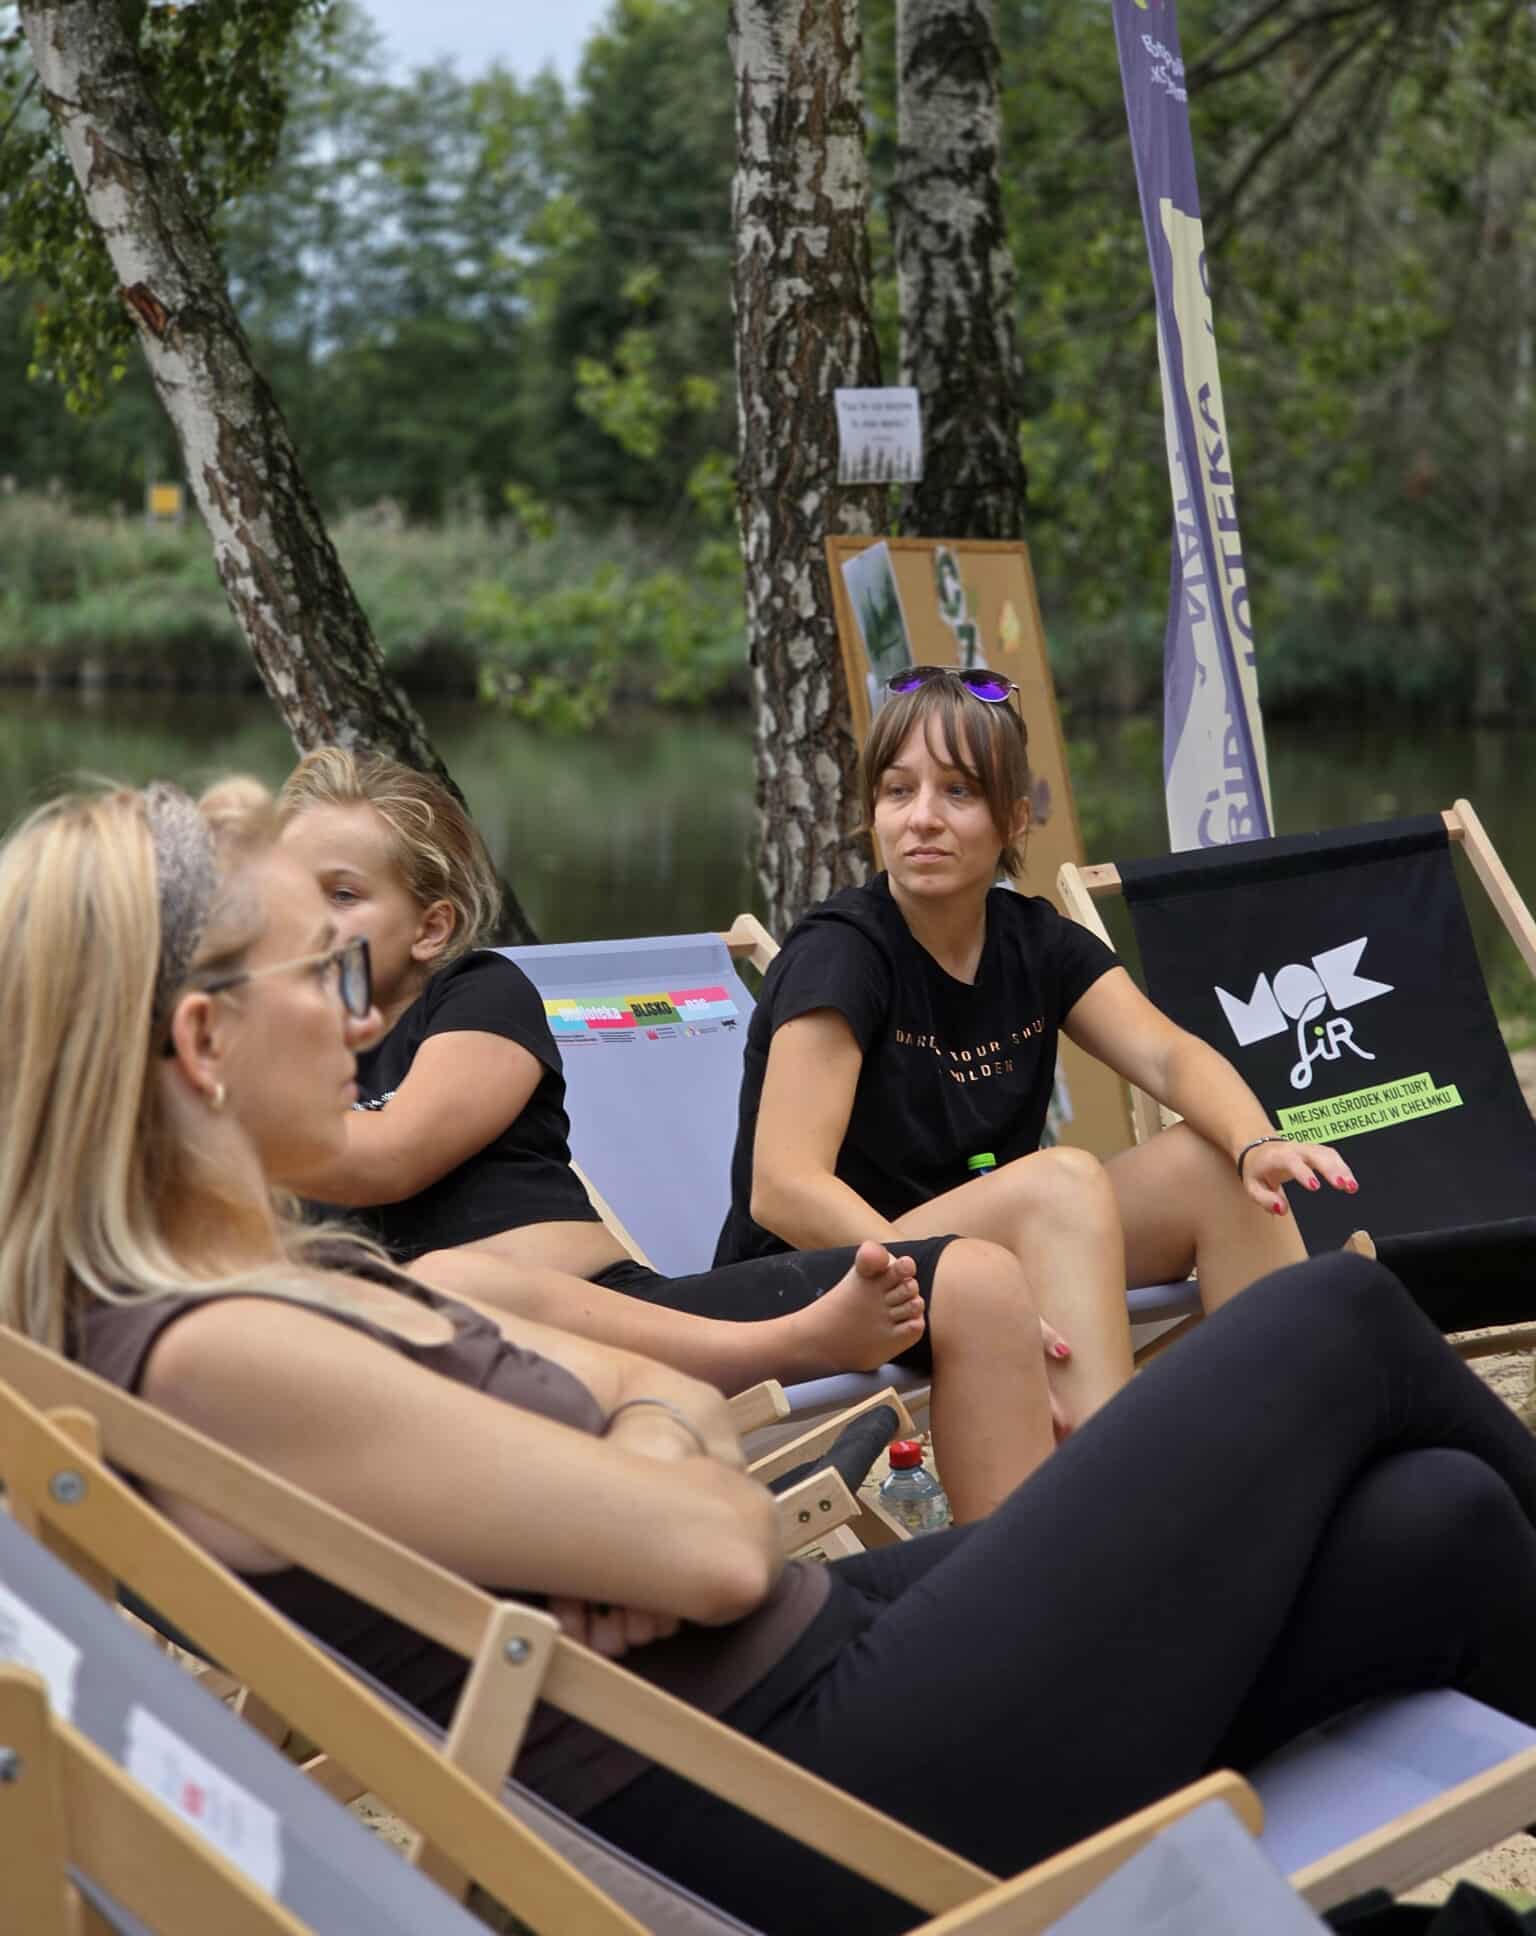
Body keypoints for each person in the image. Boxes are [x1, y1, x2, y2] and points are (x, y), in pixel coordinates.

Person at [7, 778, 1536, 1936]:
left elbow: (666, 1395)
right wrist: (663, 1488)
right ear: (201, 1043)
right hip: (807, 1790)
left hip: (818, 1688)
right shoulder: (212, 1359)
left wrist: (645, 1458)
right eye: (328, 981)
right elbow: (722, 1545)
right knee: (1328, 1323)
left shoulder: (291, 1287)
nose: (363, 1026)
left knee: (1441, 1529)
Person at [278, 748, 1129, 1516]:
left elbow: (390, 1156)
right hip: (446, 1377)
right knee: (447, 1285)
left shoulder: (475, 997)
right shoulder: (263, 1056)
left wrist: (238, 1094)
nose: (304, 919)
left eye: (341, 895)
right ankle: (791, 1342)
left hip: (627, 1314)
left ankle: (1047, 1592)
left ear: (431, 927)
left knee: (976, 1278)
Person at [714, 665, 1360, 1329]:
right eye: (899, 791)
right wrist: (953, 1285)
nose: (923, 818)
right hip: (816, 1284)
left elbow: (1169, 1057)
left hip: (975, 1253)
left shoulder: (1035, 941)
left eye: (959, 791)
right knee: (1060, 1184)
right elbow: (784, 1188)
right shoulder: (842, 954)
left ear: (1014, 820)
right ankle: (1098, 1404)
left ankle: (1293, 1392)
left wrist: (1257, 1143)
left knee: (1217, 1164)